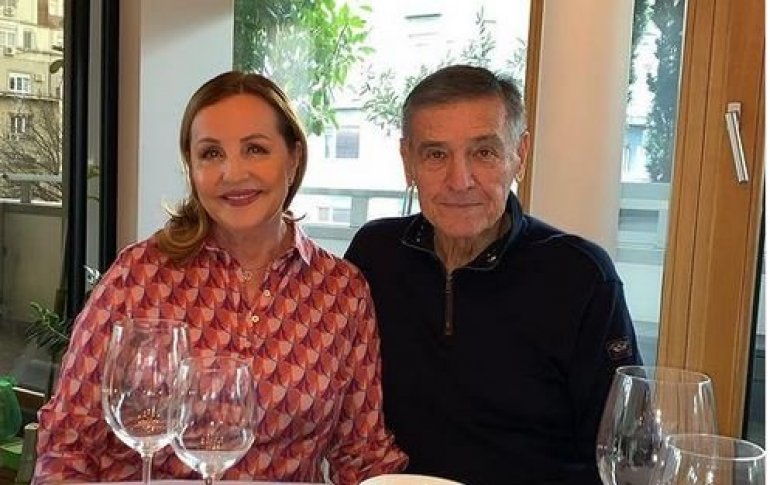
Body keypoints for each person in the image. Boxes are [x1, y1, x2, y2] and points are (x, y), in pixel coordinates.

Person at [35, 71, 407, 485]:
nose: (233, 173)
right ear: (192, 167)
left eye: (255, 149)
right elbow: (68, 442)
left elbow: (361, 453)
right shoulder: (138, 276)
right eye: (211, 153)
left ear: (294, 157)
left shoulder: (342, 292)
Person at [344, 64, 642, 485]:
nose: (460, 181)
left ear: (519, 154)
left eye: (484, 152)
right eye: (435, 155)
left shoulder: (580, 277)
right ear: (408, 161)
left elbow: (626, 451)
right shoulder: (375, 254)